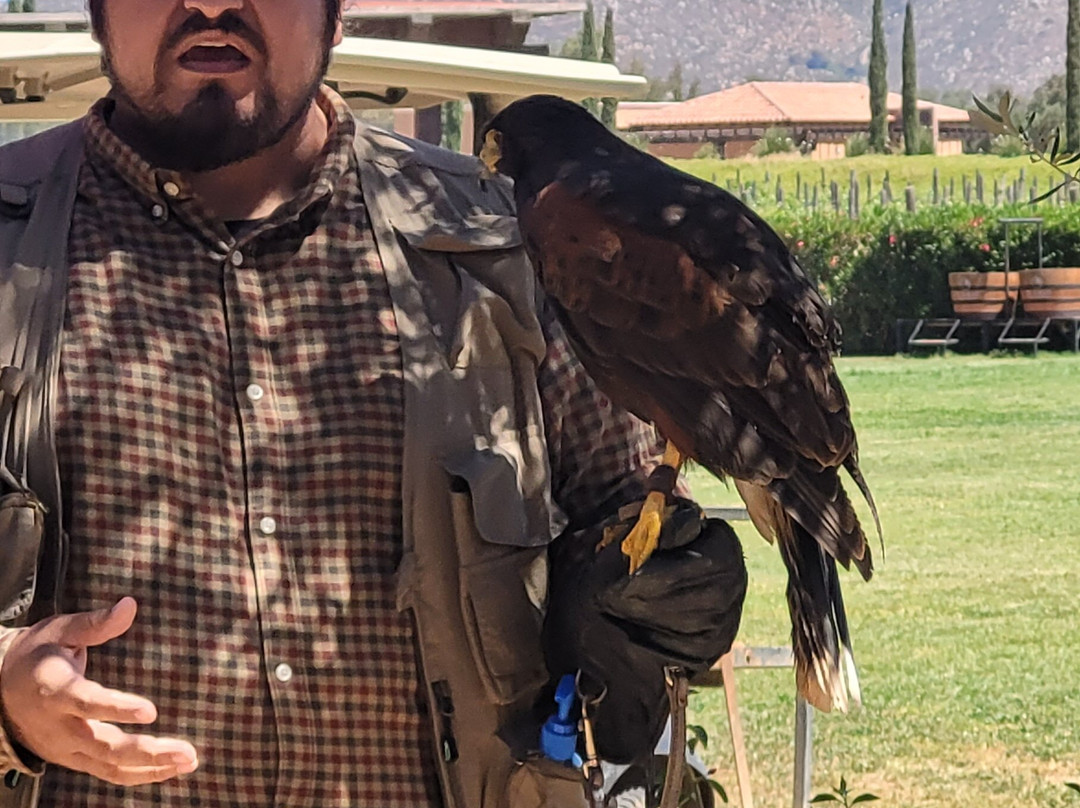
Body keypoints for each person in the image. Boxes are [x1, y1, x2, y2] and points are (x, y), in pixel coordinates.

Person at [0, 1, 703, 806]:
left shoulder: (507, 247)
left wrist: (651, 598)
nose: (210, 3)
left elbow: (620, 518)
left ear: (337, 16)